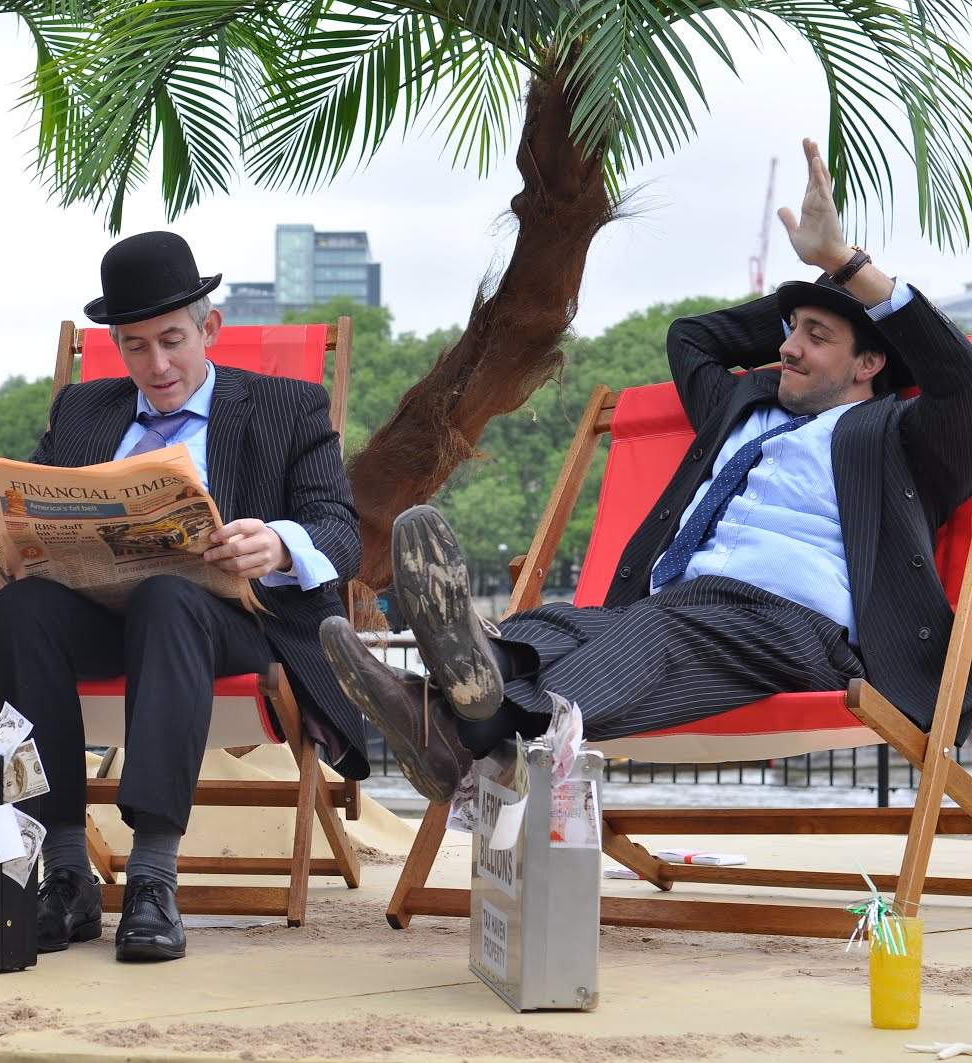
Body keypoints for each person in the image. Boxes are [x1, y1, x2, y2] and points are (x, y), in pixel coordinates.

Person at [321, 137, 972, 803]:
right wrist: (808, 304)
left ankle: (467, 726)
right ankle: (448, 722)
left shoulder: (902, 436)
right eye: (790, 329)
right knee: (561, 626)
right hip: (682, 606)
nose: (788, 348)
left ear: (870, 364)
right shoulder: (741, 406)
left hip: (796, 630)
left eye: (818, 336)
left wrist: (843, 268)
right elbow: (692, 336)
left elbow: (961, 381)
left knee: (651, 632)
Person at [0, 231, 364, 962]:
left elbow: (341, 530)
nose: (156, 365)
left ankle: (153, 878)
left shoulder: (288, 406)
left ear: (208, 328)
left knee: (167, 597)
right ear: (116, 346)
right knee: (20, 611)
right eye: (135, 346)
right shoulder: (82, 410)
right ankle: (66, 873)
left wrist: (279, 543)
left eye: (172, 341)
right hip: (104, 618)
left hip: (236, 624)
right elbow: (22, 506)